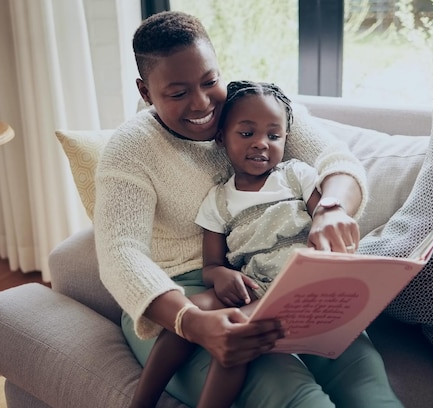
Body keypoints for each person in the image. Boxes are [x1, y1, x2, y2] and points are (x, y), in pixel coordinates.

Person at [94, 10, 403, 408]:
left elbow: (336, 159)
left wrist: (330, 207)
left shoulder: (250, 106)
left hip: (268, 281)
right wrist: (190, 322)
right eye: (178, 92)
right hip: (172, 297)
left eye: (210, 81)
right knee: (297, 397)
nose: (203, 102)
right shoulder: (131, 149)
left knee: (367, 384)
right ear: (145, 91)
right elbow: (120, 253)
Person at [131, 80, 354, 408]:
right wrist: (221, 276)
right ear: (221, 138)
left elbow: (324, 221)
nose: (261, 144)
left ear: (285, 139)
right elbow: (211, 266)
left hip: (302, 288)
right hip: (256, 288)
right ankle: (141, 401)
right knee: (186, 315)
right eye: (247, 133)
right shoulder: (218, 200)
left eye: (273, 136)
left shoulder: (297, 176)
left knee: (236, 335)